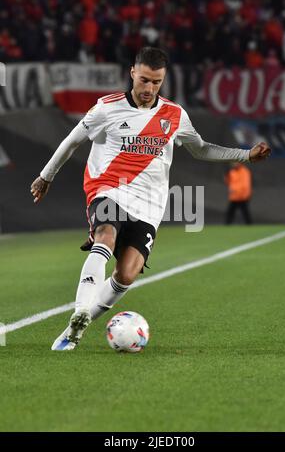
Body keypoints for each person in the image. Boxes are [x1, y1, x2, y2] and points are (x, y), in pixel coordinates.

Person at [30, 47, 271, 351]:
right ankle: (80, 310)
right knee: (105, 235)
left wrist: (245, 155)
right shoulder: (107, 108)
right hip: (108, 189)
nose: (149, 89)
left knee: (126, 273)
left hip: (149, 205)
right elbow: (71, 142)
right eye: (144, 80)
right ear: (132, 72)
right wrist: (46, 176)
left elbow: (201, 148)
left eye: (156, 82)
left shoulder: (174, 114)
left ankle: (76, 327)